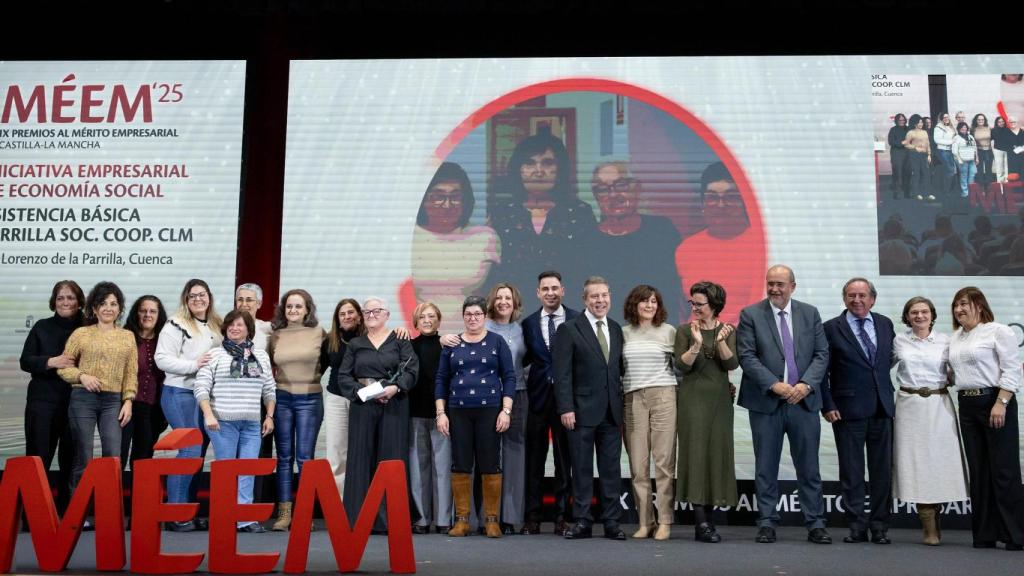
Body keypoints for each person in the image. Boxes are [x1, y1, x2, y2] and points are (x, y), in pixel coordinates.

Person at [736, 265, 831, 544]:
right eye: (770, 283)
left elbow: (822, 354)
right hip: (767, 402)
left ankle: (815, 523)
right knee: (766, 466)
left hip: (803, 401)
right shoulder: (751, 314)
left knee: (809, 467)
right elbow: (747, 355)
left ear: (793, 286)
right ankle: (766, 522)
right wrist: (775, 385)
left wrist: (805, 385)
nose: (774, 289)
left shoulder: (810, 313)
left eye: (780, 284)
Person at [820, 278, 896, 545]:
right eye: (851, 295)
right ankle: (856, 525)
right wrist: (827, 404)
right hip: (846, 410)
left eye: (862, 295)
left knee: (882, 472)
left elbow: (884, 364)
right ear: (844, 299)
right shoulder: (830, 328)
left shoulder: (885, 324)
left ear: (872, 299)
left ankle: (879, 527)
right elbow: (821, 372)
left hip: (882, 408)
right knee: (851, 472)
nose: (857, 300)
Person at [947, 287, 1024, 550]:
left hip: (994, 401)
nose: (959, 309)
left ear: (979, 305)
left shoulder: (999, 331)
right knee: (978, 471)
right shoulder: (955, 337)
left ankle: (1015, 535)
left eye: (964, 304)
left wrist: (1001, 402)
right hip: (966, 405)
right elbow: (955, 373)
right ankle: (984, 534)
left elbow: (1012, 369)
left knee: (1004, 470)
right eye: (956, 305)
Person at [434, 295, 516, 537]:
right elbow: (441, 379)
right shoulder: (451, 344)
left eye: (477, 314)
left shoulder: (497, 342)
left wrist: (506, 410)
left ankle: (491, 520)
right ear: (463, 316)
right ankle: (462, 520)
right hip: (458, 412)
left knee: (490, 464)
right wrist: (441, 413)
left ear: (485, 316)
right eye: (468, 314)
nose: (472, 318)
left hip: (490, 411)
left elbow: (509, 377)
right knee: (460, 464)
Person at [336, 297, 419, 532]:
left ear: (387, 314)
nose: (372, 314)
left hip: (394, 404)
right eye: (367, 311)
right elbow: (343, 376)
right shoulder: (356, 344)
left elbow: (412, 369)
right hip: (363, 405)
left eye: (377, 310)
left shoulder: (400, 339)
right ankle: (359, 519)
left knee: (391, 460)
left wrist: (395, 388)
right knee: (360, 459)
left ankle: (391, 520)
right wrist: (362, 392)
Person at [553, 276, 626, 541]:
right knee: (582, 470)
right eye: (594, 296)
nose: (600, 300)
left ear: (610, 297)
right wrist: (566, 408)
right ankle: (582, 521)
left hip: (611, 413)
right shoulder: (569, 329)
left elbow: (617, 371)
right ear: (585, 299)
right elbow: (561, 375)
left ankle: (612, 523)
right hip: (580, 413)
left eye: (604, 295)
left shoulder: (616, 329)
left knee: (611, 470)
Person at [891, 296, 968, 545]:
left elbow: (959, 373)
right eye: (914, 312)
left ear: (932, 315)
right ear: (907, 316)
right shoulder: (898, 341)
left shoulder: (947, 341)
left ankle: (937, 517)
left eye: (924, 312)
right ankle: (928, 527)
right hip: (908, 406)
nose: (920, 316)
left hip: (939, 405)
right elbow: (879, 367)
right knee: (915, 464)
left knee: (940, 462)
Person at [194, 309, 276, 532]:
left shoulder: (261, 356)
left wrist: (269, 416)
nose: (234, 328)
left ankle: (244, 519)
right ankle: (223, 516)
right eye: (231, 324)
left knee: (247, 470)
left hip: (252, 424)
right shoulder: (215, 355)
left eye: (240, 324)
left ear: (249, 329)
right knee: (226, 472)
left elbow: (269, 389)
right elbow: (201, 388)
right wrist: (208, 414)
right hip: (222, 423)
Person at [489, 132, 598, 295]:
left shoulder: (580, 212)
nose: (538, 171)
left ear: (559, 169)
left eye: (547, 163)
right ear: (518, 169)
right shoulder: (501, 213)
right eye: (529, 163)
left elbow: (591, 267)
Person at [674, 280, 738, 543]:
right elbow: (682, 366)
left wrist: (721, 341)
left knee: (715, 456)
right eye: (692, 303)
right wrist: (697, 343)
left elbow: (731, 363)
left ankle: (709, 520)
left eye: (699, 304)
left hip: (720, 402)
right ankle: (701, 524)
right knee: (696, 456)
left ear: (714, 305)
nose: (695, 308)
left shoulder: (729, 330)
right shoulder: (684, 331)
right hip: (693, 401)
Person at [58, 282, 137, 495]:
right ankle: (78, 512)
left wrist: (128, 401)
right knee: (84, 455)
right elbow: (64, 368)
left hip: (113, 401)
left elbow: (131, 373)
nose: (108, 308)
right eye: (103, 303)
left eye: (113, 303)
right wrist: (82, 376)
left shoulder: (127, 336)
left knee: (113, 455)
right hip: (83, 399)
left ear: (120, 308)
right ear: (94, 308)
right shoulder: (81, 333)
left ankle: (108, 512)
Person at [155, 278, 222, 532]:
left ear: (209, 297)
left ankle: (189, 512)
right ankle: (175, 514)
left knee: (198, 455)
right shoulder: (175, 324)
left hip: (202, 396)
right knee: (189, 451)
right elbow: (161, 359)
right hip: (179, 392)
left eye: (201, 295)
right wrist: (194, 366)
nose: (197, 299)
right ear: (185, 299)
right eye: (192, 296)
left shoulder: (216, 324)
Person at [586, 161, 684, 323]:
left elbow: (680, 288)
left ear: (637, 188)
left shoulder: (662, 230)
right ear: (596, 197)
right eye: (603, 189)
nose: (612, 195)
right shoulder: (586, 241)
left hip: (659, 333)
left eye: (621, 186)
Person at [412, 162, 500, 333]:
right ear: (423, 199)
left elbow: (494, 296)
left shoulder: (486, 237)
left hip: (472, 337)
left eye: (455, 197)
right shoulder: (409, 238)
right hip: (418, 337)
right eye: (438, 196)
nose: (447, 205)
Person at [21, 280, 84, 514]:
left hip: (76, 404)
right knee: (38, 459)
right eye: (60, 298)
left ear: (79, 302)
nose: (65, 302)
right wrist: (51, 361)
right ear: (54, 301)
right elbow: (25, 361)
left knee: (72, 461)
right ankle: (35, 516)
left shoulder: (89, 329)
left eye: (70, 297)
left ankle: (68, 516)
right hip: (42, 403)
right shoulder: (41, 327)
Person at [520, 270, 576, 536]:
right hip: (538, 400)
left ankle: (562, 517)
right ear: (538, 293)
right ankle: (532, 516)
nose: (550, 293)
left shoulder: (577, 320)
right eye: (545, 289)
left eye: (555, 288)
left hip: (567, 402)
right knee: (534, 461)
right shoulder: (528, 323)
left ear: (562, 290)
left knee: (565, 462)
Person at [621, 285, 677, 541]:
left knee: (664, 463)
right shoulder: (624, 334)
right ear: (635, 304)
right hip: (633, 399)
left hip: (664, 396)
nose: (649, 306)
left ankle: (665, 521)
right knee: (638, 465)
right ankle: (645, 522)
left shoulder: (669, 332)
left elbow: (682, 366)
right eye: (644, 301)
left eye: (654, 301)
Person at [268, 288, 328, 531]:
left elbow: (328, 361)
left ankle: (304, 514)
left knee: (305, 459)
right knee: (284, 458)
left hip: (310, 400)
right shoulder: (275, 334)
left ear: (307, 309)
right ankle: (284, 514)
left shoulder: (319, 333)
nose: (293, 310)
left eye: (298, 306)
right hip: (282, 399)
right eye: (289, 306)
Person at [675, 162, 763, 325]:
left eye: (730, 197)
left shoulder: (761, 246)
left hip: (744, 344)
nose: (721, 205)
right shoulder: (686, 250)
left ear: (743, 202)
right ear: (702, 204)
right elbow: (682, 310)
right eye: (712, 197)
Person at [478, 283, 528, 534]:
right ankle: (489, 515)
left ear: (514, 301)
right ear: (492, 301)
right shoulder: (482, 326)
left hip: (518, 396)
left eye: (508, 297)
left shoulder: (522, 329)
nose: (503, 302)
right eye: (498, 297)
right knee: (489, 456)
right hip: (488, 397)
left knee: (514, 455)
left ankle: (510, 516)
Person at [407, 301, 452, 534]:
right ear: (415, 321)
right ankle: (421, 520)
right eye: (422, 316)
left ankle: (444, 519)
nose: (427, 320)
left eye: (432, 316)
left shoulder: (448, 345)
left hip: (441, 415)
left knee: (442, 468)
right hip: (414, 414)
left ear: (438, 320)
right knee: (417, 469)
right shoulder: (407, 346)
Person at [120, 295, 168, 469]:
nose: (148, 315)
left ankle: (138, 497)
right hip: (125, 406)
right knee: (118, 454)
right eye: (143, 310)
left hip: (153, 409)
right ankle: (113, 496)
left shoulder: (166, 341)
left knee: (143, 458)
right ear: (136, 313)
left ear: (159, 314)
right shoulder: (124, 337)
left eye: (152, 311)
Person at [323, 298, 364, 503]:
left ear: (359, 315)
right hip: (336, 400)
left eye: (351, 312)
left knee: (361, 452)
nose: (347, 316)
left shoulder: (370, 338)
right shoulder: (330, 340)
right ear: (337, 320)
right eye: (342, 314)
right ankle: (337, 506)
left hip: (363, 400)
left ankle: (359, 503)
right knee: (336, 452)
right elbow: (318, 370)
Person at [902, 114, 933, 200]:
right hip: (914, 155)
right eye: (919, 122)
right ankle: (916, 193)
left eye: (921, 122)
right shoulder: (910, 132)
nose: (921, 124)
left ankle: (927, 193)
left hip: (924, 155)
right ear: (914, 123)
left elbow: (928, 144)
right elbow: (906, 144)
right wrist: (915, 148)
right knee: (916, 174)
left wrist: (929, 155)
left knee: (926, 174)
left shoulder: (924, 132)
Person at [235, 283, 273, 352]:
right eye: (240, 299)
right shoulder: (227, 328)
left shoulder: (267, 328)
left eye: (249, 300)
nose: (244, 304)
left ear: (259, 304)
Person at [932, 112, 957, 195]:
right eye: (944, 117)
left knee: (951, 170)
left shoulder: (950, 127)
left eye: (947, 117)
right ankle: (946, 190)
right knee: (949, 170)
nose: (946, 118)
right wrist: (951, 142)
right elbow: (937, 140)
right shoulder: (938, 127)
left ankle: (948, 189)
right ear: (941, 118)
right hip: (942, 151)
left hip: (951, 151)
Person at [952, 122, 978, 198]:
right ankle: (965, 193)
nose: (964, 129)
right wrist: (959, 159)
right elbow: (954, 150)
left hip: (971, 159)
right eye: (962, 127)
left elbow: (975, 147)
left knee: (972, 174)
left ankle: (971, 191)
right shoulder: (956, 138)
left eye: (965, 127)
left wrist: (977, 157)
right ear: (959, 129)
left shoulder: (970, 137)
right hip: (962, 160)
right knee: (964, 176)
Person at [887, 113, 909, 197]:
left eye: (903, 120)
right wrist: (901, 143)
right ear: (896, 121)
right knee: (898, 174)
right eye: (900, 120)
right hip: (897, 154)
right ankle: (897, 192)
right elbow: (891, 141)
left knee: (907, 173)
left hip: (907, 153)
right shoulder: (893, 129)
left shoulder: (908, 129)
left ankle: (907, 192)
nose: (902, 121)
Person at [972, 113, 994, 190]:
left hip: (988, 151)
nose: (980, 121)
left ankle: (988, 188)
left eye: (982, 119)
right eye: (979, 119)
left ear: (984, 120)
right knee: (980, 170)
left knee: (988, 170)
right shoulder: (973, 129)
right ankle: (981, 188)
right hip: (979, 152)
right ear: (976, 120)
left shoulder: (989, 128)